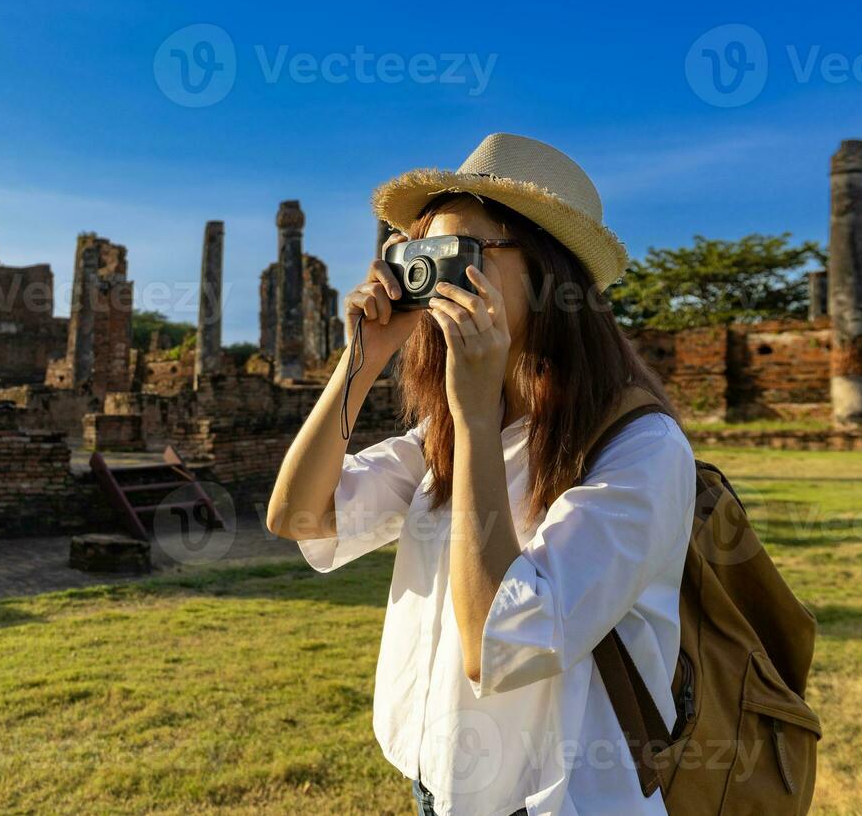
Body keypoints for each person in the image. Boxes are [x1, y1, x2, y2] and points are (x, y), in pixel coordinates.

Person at [266, 134, 696, 816]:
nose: (434, 281)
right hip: (435, 788)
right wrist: (363, 359)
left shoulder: (642, 448)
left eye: (461, 256)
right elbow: (299, 517)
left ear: (548, 272)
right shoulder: (449, 431)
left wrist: (471, 417)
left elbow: (501, 644)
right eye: (418, 256)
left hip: (559, 802)